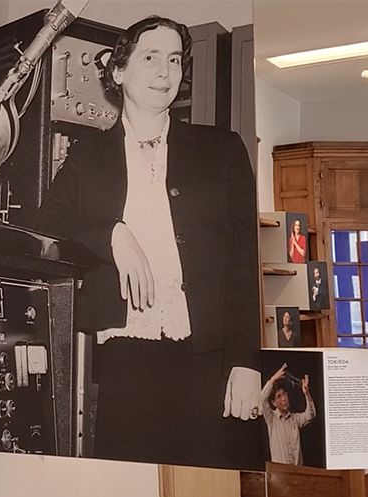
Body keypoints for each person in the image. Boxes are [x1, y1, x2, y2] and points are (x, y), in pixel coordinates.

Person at [32, 16, 262, 469]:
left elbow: (246, 259)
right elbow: (46, 218)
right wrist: (113, 234)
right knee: (132, 493)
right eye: (151, 57)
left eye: (174, 60)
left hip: (209, 355)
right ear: (118, 72)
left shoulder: (222, 149)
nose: (165, 71)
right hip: (125, 354)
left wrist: (246, 361)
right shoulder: (89, 155)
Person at [260, 364, 316, 466]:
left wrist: (306, 393)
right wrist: (273, 379)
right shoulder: (271, 419)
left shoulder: (295, 419)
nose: (284, 399)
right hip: (281, 473)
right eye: (279, 396)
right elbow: (262, 399)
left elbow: (310, 415)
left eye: (284, 394)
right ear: (274, 403)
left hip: (298, 471)